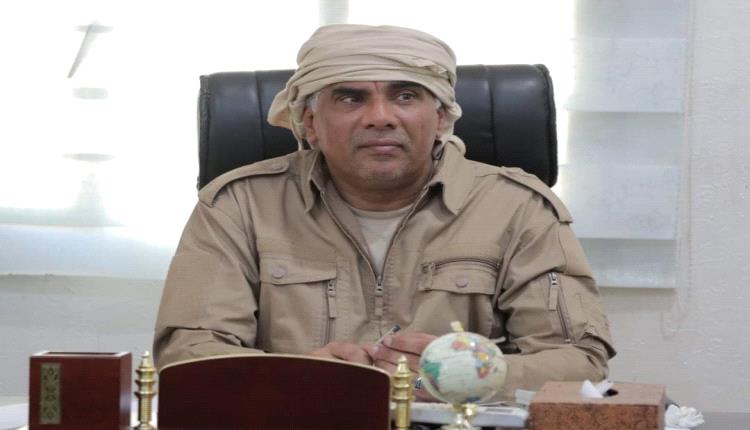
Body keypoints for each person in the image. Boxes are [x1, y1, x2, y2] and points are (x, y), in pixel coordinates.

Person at [153, 24, 615, 401]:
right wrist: (297, 376)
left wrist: (471, 375)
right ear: (310, 123)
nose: (380, 117)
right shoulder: (239, 204)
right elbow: (187, 353)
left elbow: (581, 362)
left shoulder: (518, 207)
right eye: (351, 98)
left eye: (406, 96)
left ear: (441, 118)